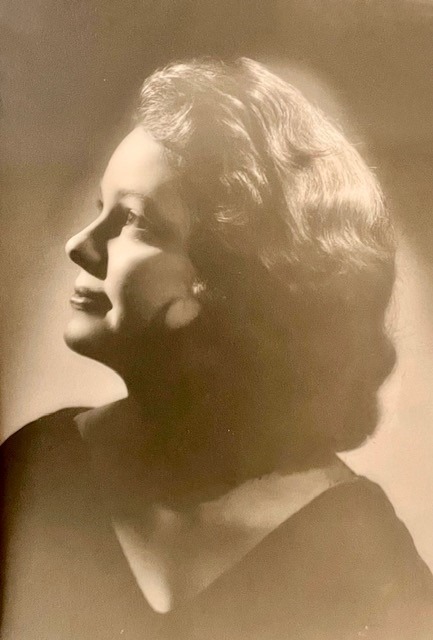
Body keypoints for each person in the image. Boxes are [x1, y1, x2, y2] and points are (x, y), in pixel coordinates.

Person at [2, 57, 433, 640]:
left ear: (232, 280)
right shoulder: (36, 468)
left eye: (133, 222)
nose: (80, 245)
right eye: (97, 210)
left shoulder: (362, 554)